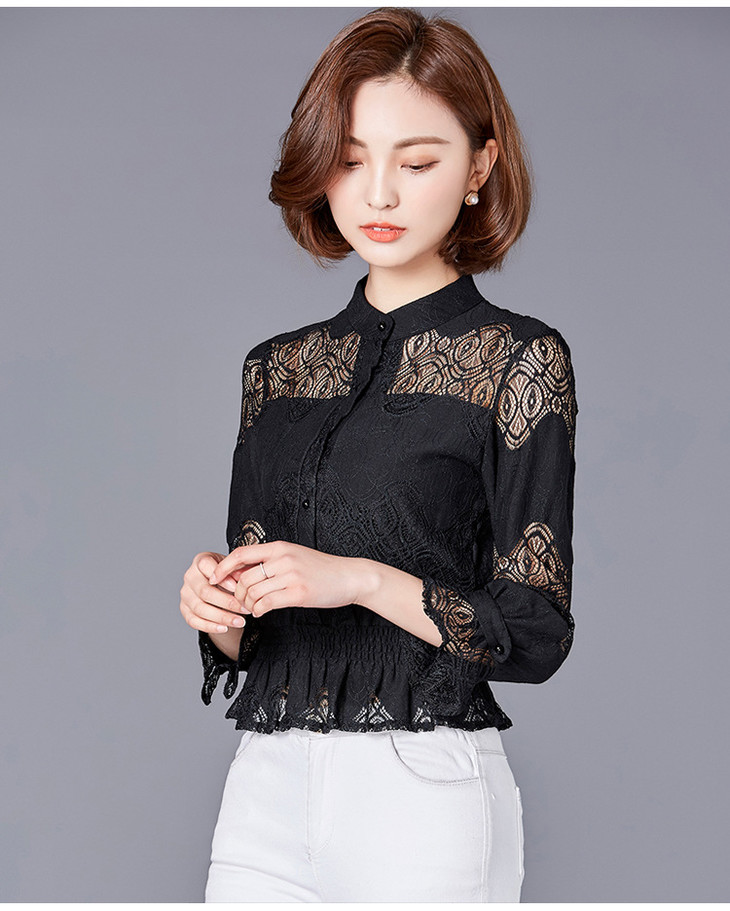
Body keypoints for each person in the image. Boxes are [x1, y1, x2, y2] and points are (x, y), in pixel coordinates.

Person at [179, 7, 578, 903]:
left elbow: (534, 628)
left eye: (418, 161)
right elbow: (259, 626)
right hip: (265, 789)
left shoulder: (517, 360)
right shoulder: (276, 369)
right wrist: (218, 608)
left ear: (480, 166)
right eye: (352, 160)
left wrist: (359, 580)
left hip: (422, 791)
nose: (379, 195)